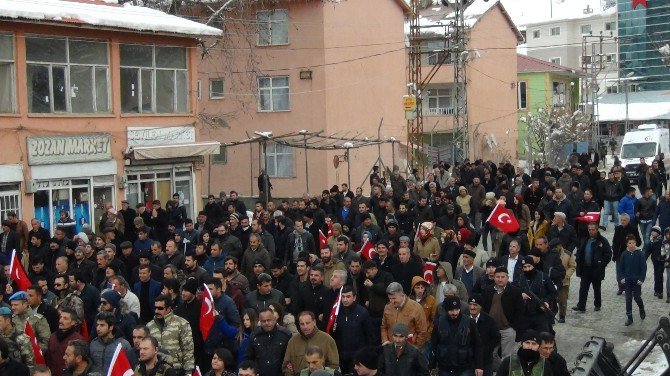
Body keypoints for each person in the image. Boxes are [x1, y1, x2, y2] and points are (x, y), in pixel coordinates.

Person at [480, 267, 527, 361]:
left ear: (507, 277)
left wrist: (515, 327)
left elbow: (520, 311)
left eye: (502, 277)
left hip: (508, 329)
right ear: (494, 278)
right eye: (497, 277)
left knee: (507, 356)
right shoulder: (488, 290)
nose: (500, 279)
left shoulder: (515, 291)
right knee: (490, 354)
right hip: (492, 329)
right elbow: (484, 308)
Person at [430, 295, 483, 376]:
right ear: (446, 310)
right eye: (451, 310)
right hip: (445, 367)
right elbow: (433, 345)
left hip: (465, 367)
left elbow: (477, 345)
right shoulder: (439, 323)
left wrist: (479, 366)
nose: (454, 313)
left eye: (457, 309)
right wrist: (432, 366)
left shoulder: (469, 322)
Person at [146, 295, 194, 374]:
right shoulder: (149, 326)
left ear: (168, 308)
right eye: (155, 308)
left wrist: (188, 372)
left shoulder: (182, 323)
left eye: (160, 308)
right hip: (156, 370)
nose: (156, 311)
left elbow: (188, 349)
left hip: (176, 370)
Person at [572, 223, 612, 313]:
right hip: (585, 268)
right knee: (583, 288)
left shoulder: (602, 241)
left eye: (593, 229)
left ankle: (597, 304)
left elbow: (608, 254)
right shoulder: (585, 239)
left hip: (596, 268)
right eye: (589, 229)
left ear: (597, 230)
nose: (591, 231)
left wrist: (602, 264)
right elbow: (580, 251)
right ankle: (581, 306)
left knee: (596, 288)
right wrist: (578, 259)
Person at [332, 285, 371, 375]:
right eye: (343, 297)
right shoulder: (336, 312)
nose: (345, 299)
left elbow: (369, 335)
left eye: (348, 297)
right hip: (340, 356)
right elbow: (332, 334)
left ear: (354, 298)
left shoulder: (362, 313)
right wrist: (333, 329)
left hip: (356, 356)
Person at [243, 307, 291, 376]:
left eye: (269, 320)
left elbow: (290, 359)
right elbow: (248, 358)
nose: (266, 323)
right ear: (260, 321)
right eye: (263, 321)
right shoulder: (254, 336)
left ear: (274, 319)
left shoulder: (285, 335)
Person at [381, 282, 428, 350]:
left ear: (402, 295)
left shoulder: (416, 308)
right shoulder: (387, 307)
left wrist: (416, 350)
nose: (392, 301)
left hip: (409, 350)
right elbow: (384, 327)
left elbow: (422, 332)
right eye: (390, 298)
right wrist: (385, 341)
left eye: (394, 298)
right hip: (391, 349)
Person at [468, 295, 500, 376]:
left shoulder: (489, 320)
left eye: (475, 305)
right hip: (467, 361)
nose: (472, 307)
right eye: (470, 304)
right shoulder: (463, 319)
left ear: (481, 306)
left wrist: (486, 349)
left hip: (485, 361)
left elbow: (496, 337)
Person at [46, 308, 83, 376]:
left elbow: (79, 364)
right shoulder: (53, 337)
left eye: (65, 318)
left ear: (73, 322)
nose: (60, 320)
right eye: (60, 317)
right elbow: (48, 359)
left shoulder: (78, 340)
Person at [620, 234, 646, 326]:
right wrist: (622, 277)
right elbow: (621, 268)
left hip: (637, 281)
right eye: (630, 243)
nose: (632, 245)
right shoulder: (624, 254)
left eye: (633, 243)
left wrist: (641, 278)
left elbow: (643, 268)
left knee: (637, 297)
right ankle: (629, 317)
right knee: (628, 299)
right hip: (627, 281)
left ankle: (641, 308)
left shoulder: (640, 254)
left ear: (636, 243)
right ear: (627, 244)